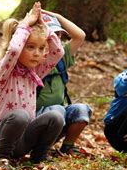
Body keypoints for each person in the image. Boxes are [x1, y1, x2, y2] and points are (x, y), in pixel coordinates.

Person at [0, 2, 65, 165]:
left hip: (23, 141)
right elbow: (14, 51)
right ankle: (1, 158)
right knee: (20, 115)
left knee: (56, 117)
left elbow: (58, 52)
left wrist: (45, 27)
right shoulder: (4, 71)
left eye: (41, 48)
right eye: (30, 47)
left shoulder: (34, 73)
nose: (37, 53)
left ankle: (39, 157)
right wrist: (24, 25)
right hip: (2, 138)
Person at [35, 11, 92, 155]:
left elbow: (80, 36)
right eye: (50, 35)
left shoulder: (62, 57)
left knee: (81, 110)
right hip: (34, 119)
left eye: (58, 35)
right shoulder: (31, 58)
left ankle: (68, 146)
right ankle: (41, 148)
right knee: (56, 111)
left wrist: (57, 17)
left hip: (58, 118)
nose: (55, 39)